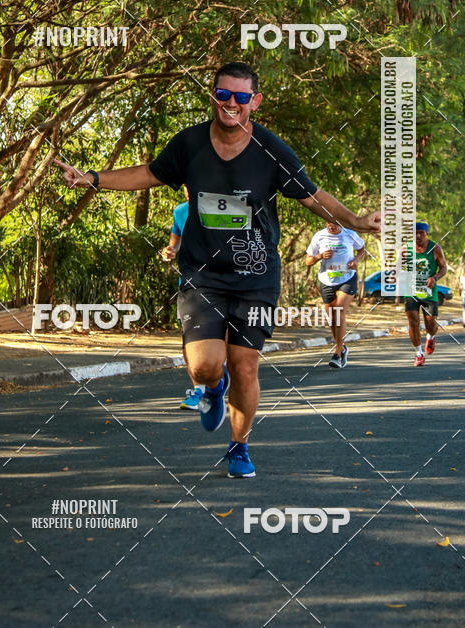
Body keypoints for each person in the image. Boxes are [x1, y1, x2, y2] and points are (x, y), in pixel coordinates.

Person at [55, 62, 380, 478]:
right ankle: (211, 387)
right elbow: (149, 173)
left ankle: (239, 447)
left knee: (245, 364)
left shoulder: (271, 150)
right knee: (203, 366)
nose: (231, 103)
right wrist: (92, 178)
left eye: (241, 97)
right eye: (223, 94)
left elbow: (312, 195)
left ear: (254, 102)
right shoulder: (189, 144)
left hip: (257, 275)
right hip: (202, 274)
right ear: (212, 96)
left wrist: (354, 221)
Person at [160, 187, 206, 410]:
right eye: (187, 185)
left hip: (224, 284)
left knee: (220, 340)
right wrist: (170, 251)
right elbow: (175, 241)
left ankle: (216, 380)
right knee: (189, 341)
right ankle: (199, 391)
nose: (190, 189)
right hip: (189, 283)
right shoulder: (180, 211)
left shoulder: (221, 207)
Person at [305, 221, 366, 369]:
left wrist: (355, 261)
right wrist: (319, 256)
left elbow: (362, 250)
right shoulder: (319, 236)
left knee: (339, 312)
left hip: (347, 278)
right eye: (328, 224)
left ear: (340, 222)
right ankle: (342, 347)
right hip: (327, 279)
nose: (331, 226)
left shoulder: (350, 234)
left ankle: (337, 353)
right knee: (332, 318)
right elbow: (308, 261)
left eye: (334, 224)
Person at [403, 220, 447, 366]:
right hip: (411, 291)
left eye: (421, 233)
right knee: (413, 322)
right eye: (414, 233)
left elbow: (443, 268)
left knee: (430, 324)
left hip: (429, 292)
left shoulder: (435, 249)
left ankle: (431, 336)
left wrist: (435, 277)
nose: (418, 236)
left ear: (426, 234)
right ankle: (419, 353)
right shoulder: (406, 249)